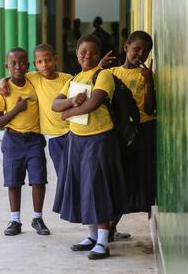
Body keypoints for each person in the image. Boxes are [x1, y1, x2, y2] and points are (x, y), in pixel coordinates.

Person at [52, 34, 127, 260]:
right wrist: (71, 103)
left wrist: (67, 112)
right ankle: (92, 236)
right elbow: (55, 104)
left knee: (98, 186)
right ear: (76, 54)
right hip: (77, 139)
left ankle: (103, 242)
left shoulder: (103, 75)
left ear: (99, 54)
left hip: (99, 138)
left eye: (93, 52)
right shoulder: (74, 79)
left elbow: (93, 103)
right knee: (83, 187)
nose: (88, 56)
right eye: (83, 52)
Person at [0, 47, 50, 236]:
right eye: (13, 63)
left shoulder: (34, 81)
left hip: (34, 139)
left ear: (29, 65)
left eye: (22, 62)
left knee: (38, 180)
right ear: (6, 66)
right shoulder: (4, 90)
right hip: (13, 140)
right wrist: (16, 109)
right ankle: (15, 220)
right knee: (13, 182)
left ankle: (37, 218)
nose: (18, 66)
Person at [0, 43, 72, 176]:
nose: (44, 64)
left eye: (48, 60)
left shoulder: (67, 79)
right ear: (34, 64)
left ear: (55, 60)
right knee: (62, 174)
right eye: (40, 62)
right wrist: (3, 81)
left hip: (72, 132)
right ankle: (65, 197)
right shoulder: (34, 77)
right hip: (54, 136)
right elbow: (16, 74)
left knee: (76, 172)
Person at [109, 30, 156, 240]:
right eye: (136, 49)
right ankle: (108, 227)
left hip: (141, 131)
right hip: (118, 133)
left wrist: (150, 83)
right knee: (116, 179)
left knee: (129, 179)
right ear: (126, 47)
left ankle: (110, 228)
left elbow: (149, 109)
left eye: (145, 52)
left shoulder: (145, 75)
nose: (140, 55)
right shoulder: (111, 73)